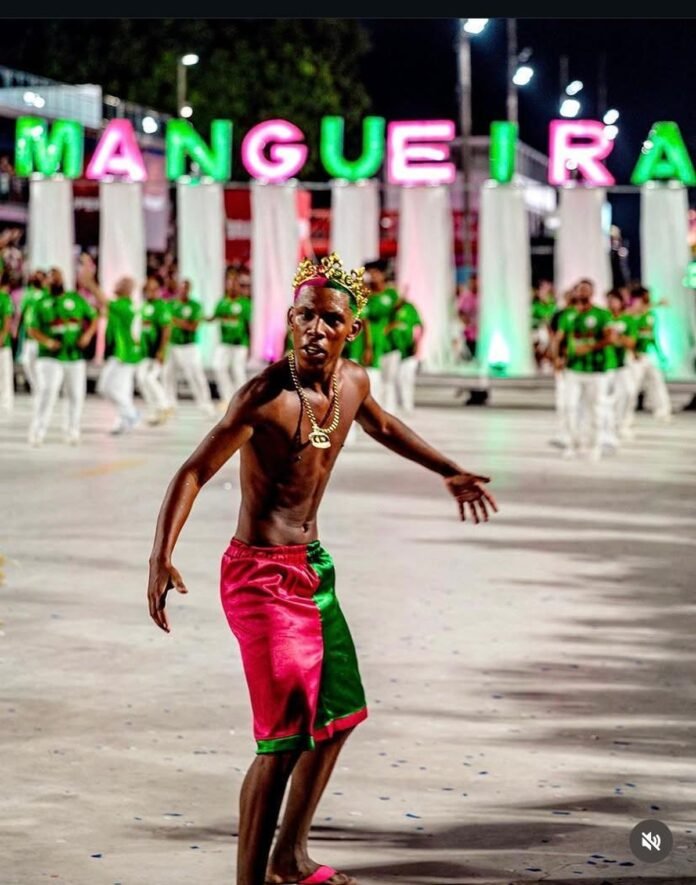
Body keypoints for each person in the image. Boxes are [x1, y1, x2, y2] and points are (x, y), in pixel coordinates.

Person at [146, 252, 498, 885]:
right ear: (290, 319)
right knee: (283, 739)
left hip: (313, 570)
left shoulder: (353, 383)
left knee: (337, 718)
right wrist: (160, 555)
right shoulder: (264, 397)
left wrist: (447, 469)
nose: (315, 328)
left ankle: (288, 858)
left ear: (352, 329)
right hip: (258, 577)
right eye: (305, 315)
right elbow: (194, 470)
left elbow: (384, 425)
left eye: (330, 319)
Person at [27, 267, 98, 446]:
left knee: (76, 395)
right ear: (47, 282)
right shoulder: (40, 302)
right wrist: (47, 342)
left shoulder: (76, 299)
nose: (56, 279)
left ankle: (72, 431)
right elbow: (31, 328)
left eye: (58, 276)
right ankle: (38, 432)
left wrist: (87, 335)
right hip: (49, 357)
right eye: (52, 277)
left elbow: (93, 317)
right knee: (47, 392)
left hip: (74, 355)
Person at [556, 279, 611, 460]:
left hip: (596, 370)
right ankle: (572, 444)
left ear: (592, 293)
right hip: (573, 369)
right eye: (580, 289)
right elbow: (559, 338)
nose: (583, 293)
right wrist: (558, 358)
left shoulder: (602, 314)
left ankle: (594, 446)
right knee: (570, 407)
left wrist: (590, 347)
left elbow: (609, 338)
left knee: (596, 409)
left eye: (587, 289)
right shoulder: (568, 315)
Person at [163, 279, 216, 417]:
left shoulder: (195, 306)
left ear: (189, 290)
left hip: (189, 346)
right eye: (181, 288)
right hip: (172, 345)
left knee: (196, 375)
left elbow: (193, 326)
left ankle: (205, 405)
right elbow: (166, 324)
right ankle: (170, 404)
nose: (183, 291)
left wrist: (176, 321)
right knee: (168, 375)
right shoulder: (170, 304)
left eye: (186, 288)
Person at [101, 277, 142, 434]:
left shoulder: (125, 306)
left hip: (125, 354)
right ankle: (124, 421)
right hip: (119, 352)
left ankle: (131, 413)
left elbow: (104, 301)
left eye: (120, 283)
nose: (115, 284)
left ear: (127, 289)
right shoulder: (122, 305)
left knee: (106, 387)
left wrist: (90, 283)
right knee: (122, 390)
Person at [626, 285, 671, 426]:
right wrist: (633, 352)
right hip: (634, 356)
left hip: (647, 355)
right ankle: (626, 415)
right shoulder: (632, 314)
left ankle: (662, 411)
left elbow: (653, 336)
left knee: (657, 381)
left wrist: (660, 353)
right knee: (632, 386)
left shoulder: (651, 315)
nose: (648, 298)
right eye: (646, 296)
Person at [211, 267, 252, 409]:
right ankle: (227, 398)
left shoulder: (245, 303)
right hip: (224, 342)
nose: (232, 285)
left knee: (238, 371)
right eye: (230, 281)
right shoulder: (222, 303)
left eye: (235, 282)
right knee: (218, 366)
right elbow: (214, 317)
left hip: (240, 343)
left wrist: (250, 345)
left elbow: (248, 325)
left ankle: (242, 401)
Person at [362, 259, 400, 409]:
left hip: (389, 345)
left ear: (384, 274)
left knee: (389, 381)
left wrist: (390, 329)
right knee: (373, 379)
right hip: (371, 343)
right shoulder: (366, 296)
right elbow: (364, 320)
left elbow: (398, 316)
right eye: (370, 273)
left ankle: (389, 413)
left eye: (375, 272)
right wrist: (368, 345)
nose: (372, 276)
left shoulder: (392, 294)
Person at [136, 276, 172, 426]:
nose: (150, 291)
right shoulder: (144, 306)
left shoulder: (161, 306)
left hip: (157, 350)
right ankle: (154, 409)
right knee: (141, 379)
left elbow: (166, 329)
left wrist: (162, 350)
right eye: (148, 289)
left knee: (151, 378)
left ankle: (165, 405)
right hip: (145, 351)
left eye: (154, 289)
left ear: (158, 290)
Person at [603, 288, 637, 444]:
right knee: (606, 398)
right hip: (605, 364)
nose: (611, 303)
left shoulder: (628, 320)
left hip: (622, 364)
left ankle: (622, 424)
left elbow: (631, 343)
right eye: (609, 300)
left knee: (629, 392)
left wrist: (617, 337)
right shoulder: (603, 318)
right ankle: (607, 427)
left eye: (614, 300)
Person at [548, 287, 577, 449]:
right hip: (564, 363)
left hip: (580, 364)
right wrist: (556, 359)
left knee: (576, 402)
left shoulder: (584, 315)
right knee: (563, 400)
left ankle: (576, 433)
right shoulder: (560, 315)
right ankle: (564, 432)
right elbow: (554, 338)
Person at [386, 294, 423, 413]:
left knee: (407, 378)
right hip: (393, 349)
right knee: (393, 379)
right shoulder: (389, 308)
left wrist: (417, 343)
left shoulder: (410, 308)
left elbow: (420, 326)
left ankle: (407, 405)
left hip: (409, 350)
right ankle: (394, 405)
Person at [17, 271, 47, 392]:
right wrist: (17, 329)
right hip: (29, 334)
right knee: (27, 362)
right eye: (35, 276)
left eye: (40, 277)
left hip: (42, 335)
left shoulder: (47, 294)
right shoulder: (28, 294)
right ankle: (36, 387)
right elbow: (21, 313)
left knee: (41, 363)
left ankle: (43, 388)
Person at [0, 271, 14, 412]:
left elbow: (8, 319)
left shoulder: (4, 298)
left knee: (4, 374)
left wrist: (3, 336)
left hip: (2, 345)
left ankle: (6, 403)